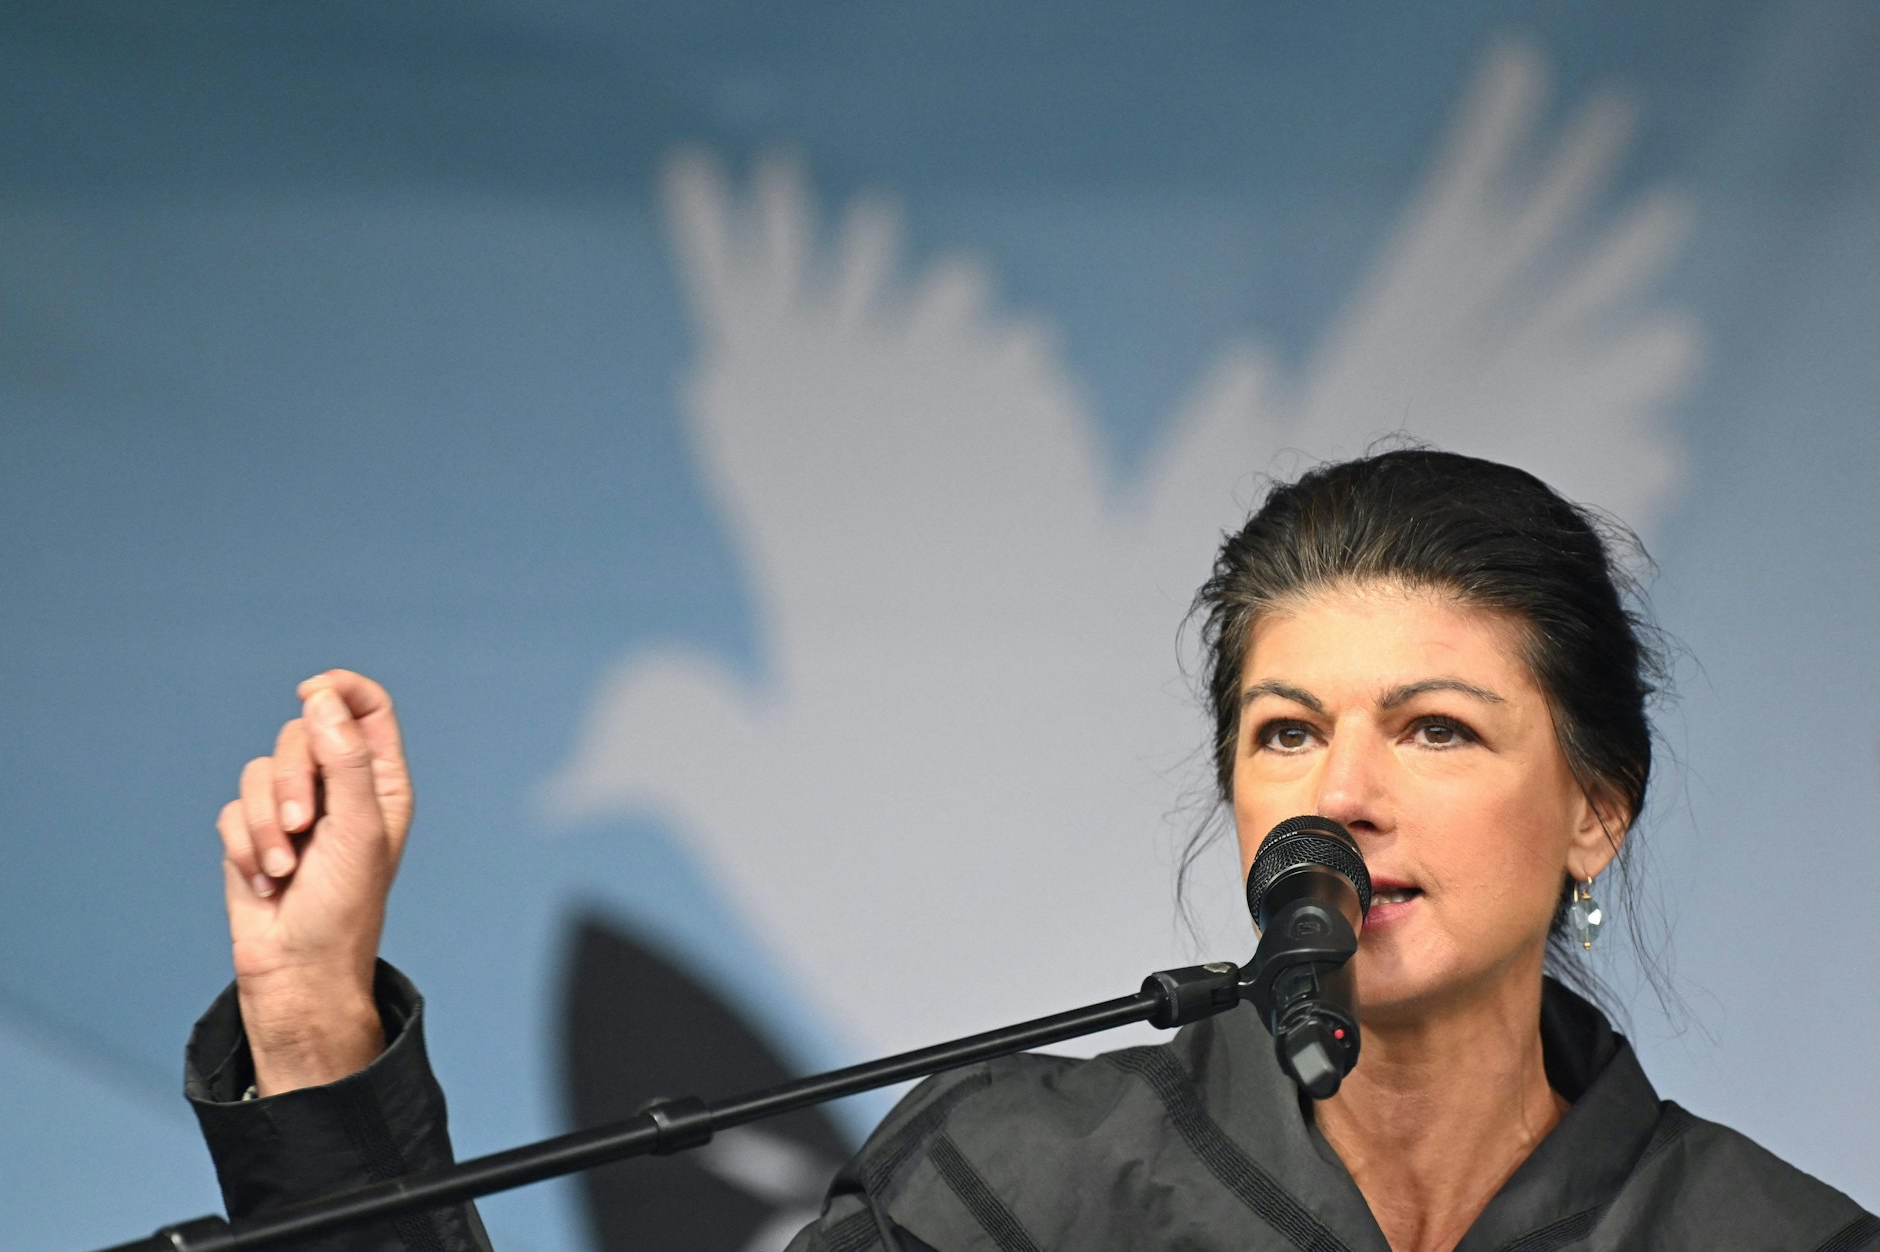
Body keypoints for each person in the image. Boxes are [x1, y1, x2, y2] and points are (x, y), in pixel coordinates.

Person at [187, 449, 1875, 1251]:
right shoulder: (1014, 1187)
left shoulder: (1781, 1242)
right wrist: (317, 1027)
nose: (1343, 790)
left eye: (1435, 728)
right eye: (1288, 729)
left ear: (1598, 802)